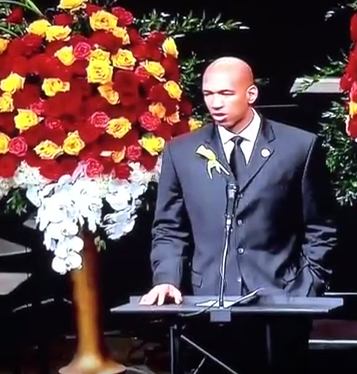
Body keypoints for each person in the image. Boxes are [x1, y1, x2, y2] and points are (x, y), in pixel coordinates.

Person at [140, 56, 337, 373]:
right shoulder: (181, 152)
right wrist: (167, 279)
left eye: (226, 93)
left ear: (251, 94)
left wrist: (308, 285)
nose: (215, 103)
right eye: (208, 94)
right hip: (207, 303)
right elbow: (169, 229)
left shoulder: (299, 147)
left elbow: (320, 227)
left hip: (281, 300)